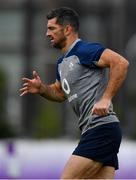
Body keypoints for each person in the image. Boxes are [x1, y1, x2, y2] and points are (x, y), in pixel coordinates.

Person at [20, 7, 129, 179]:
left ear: (68, 29)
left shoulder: (84, 50)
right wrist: (42, 89)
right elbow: (59, 93)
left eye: (51, 28)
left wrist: (106, 98)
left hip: (101, 128)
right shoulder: (61, 63)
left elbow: (121, 63)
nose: (47, 33)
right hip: (97, 131)